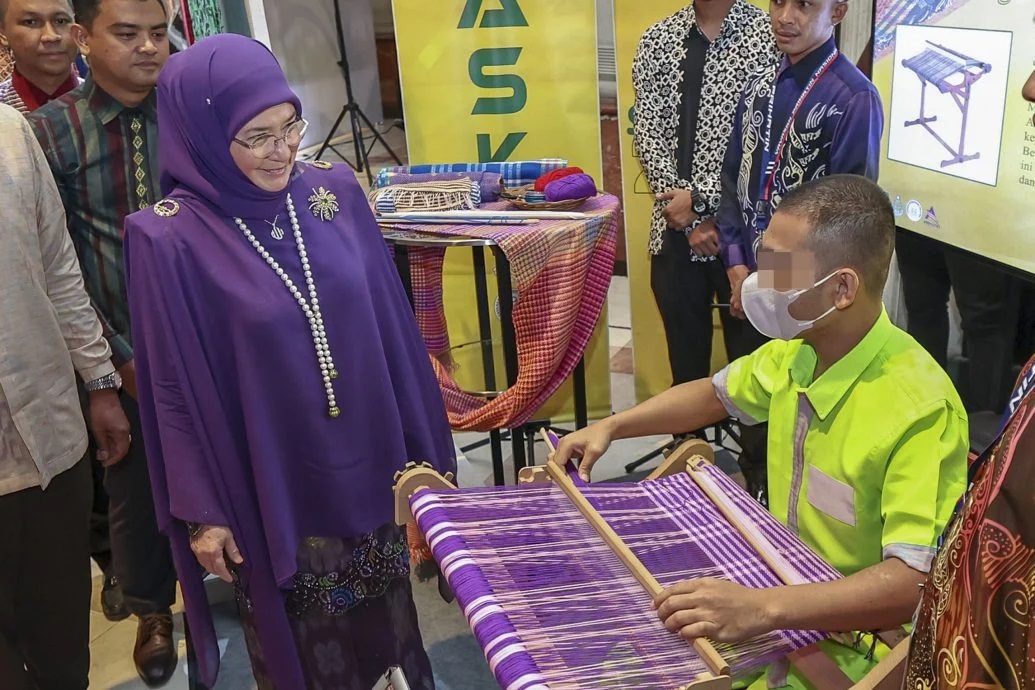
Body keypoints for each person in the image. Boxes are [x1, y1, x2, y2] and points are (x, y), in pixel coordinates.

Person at [123, 34, 457, 690]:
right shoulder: (167, 237)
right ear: (202, 134)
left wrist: (425, 451)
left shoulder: (333, 193)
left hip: (370, 462)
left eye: (289, 125)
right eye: (256, 136)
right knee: (309, 651)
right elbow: (169, 390)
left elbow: (392, 328)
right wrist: (203, 510)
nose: (283, 151)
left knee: (390, 633)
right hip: (272, 478)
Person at [551, 175, 967, 687]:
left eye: (779, 268)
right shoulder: (802, 350)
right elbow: (713, 394)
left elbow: (911, 581)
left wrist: (764, 609)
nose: (758, 281)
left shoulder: (920, 410)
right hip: (777, 591)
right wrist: (613, 426)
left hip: (854, 646)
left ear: (841, 288)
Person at [28, 0, 178, 685]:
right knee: (135, 484)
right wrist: (114, 360)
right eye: (128, 34)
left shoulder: (191, 113)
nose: (148, 47)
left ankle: (251, 584)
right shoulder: (52, 133)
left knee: (238, 464)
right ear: (86, 39)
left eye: (158, 33)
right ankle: (153, 611)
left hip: (206, 337)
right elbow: (55, 263)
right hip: (113, 344)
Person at [715, 0, 884, 503]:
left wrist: (773, 277)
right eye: (776, 1)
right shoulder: (756, 89)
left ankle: (792, 518)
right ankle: (754, 491)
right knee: (748, 393)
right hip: (748, 276)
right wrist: (737, 263)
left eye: (804, 4)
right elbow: (733, 180)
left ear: (837, 12)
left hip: (808, 293)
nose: (784, 16)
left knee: (797, 405)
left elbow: (849, 214)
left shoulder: (853, 98)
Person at [0, 0, 128, 623]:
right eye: (29, 21)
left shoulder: (101, 100)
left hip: (90, 323)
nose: (48, 36)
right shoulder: (17, 118)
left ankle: (128, 567)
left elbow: (62, 258)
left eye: (59, 19)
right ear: (5, 34)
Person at [634, 0, 776, 388]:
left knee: (762, 369)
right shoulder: (657, 39)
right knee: (684, 364)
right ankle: (689, 446)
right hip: (673, 231)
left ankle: (759, 451)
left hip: (757, 237)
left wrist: (701, 201)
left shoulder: (772, 35)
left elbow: (770, 145)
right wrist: (689, 217)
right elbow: (647, 134)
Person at [0, 0, 80, 113]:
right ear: (2, 33)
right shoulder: (3, 112)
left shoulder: (108, 99)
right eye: (31, 22)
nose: (51, 36)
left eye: (60, 21)